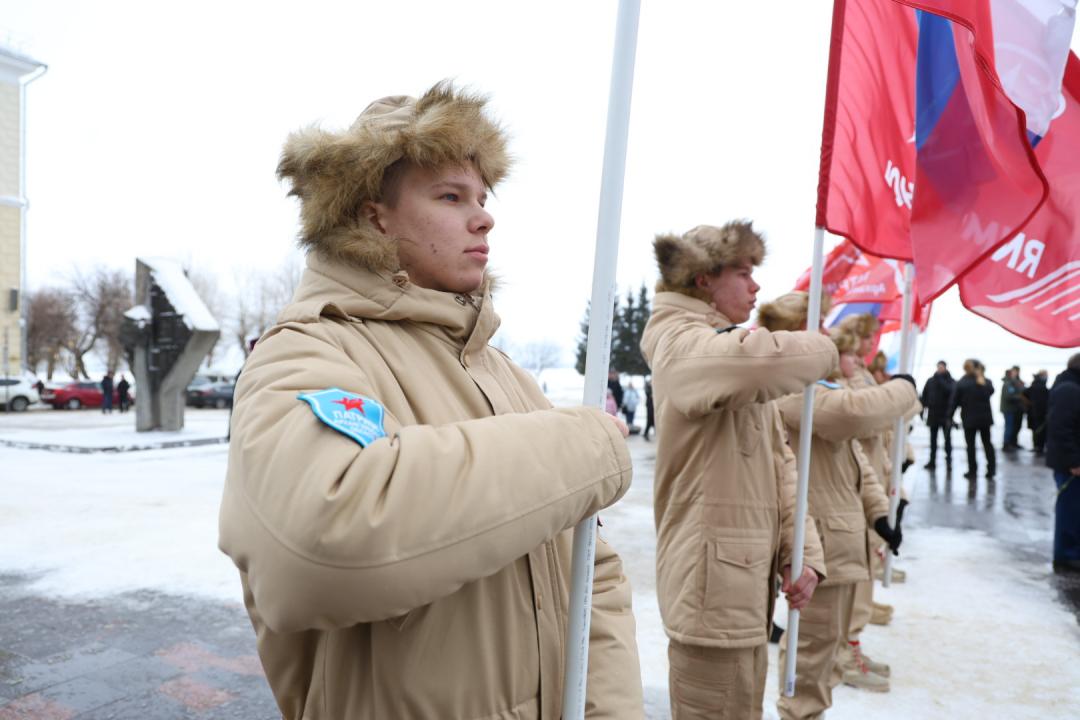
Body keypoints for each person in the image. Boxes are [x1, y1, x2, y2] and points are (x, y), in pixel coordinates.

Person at [217, 81, 644, 719]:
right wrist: (587, 446)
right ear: (372, 216)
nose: (484, 216)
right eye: (450, 196)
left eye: (482, 197)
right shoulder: (308, 352)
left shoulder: (504, 374)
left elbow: (591, 577)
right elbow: (326, 543)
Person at [640, 222, 837, 720]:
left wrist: (803, 554)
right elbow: (757, 361)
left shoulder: (721, 341)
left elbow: (781, 468)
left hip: (744, 591)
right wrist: (825, 348)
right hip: (710, 595)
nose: (755, 286)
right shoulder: (678, 339)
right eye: (744, 273)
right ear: (703, 279)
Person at [773, 324, 915, 719]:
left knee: (830, 642)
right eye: (846, 352)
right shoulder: (795, 393)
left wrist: (879, 513)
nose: (852, 361)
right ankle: (799, 713)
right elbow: (854, 417)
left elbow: (859, 462)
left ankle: (816, 704)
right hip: (821, 539)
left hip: (845, 534)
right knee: (812, 647)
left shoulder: (824, 389)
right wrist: (904, 387)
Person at [1047, 354, 1080, 571]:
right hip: (1071, 464)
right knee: (1070, 509)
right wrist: (1074, 461)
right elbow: (1060, 428)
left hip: (1071, 461)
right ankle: (1066, 555)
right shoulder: (1069, 389)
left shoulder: (1071, 386)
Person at [948, 359, 996, 480]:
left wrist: (949, 417)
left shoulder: (962, 383)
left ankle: (972, 471)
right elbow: (991, 392)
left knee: (971, 446)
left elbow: (954, 402)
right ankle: (991, 470)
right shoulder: (986, 382)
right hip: (985, 418)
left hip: (969, 418)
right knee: (987, 444)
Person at [921, 360, 956, 470]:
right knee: (933, 441)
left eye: (942, 367)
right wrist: (922, 411)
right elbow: (925, 396)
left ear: (945, 368)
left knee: (948, 440)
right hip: (933, 415)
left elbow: (951, 392)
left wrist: (940, 379)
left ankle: (949, 461)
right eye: (938, 367)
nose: (939, 369)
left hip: (946, 415)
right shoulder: (931, 381)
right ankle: (932, 461)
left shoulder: (950, 381)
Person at [1001, 366, 1027, 450]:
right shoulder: (1008, 384)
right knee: (1009, 426)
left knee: (1015, 426)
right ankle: (1006, 444)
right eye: (1013, 373)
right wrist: (1019, 397)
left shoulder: (1015, 382)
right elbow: (1008, 396)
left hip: (1015, 409)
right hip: (1009, 409)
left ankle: (1013, 442)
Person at [1025, 370, 1050, 455]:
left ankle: (1037, 446)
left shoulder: (1035, 384)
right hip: (1039, 413)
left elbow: (1024, 393)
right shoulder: (1040, 386)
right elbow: (1042, 402)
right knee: (1040, 430)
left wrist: (1029, 404)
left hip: (1033, 411)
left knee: (1036, 430)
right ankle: (1039, 447)